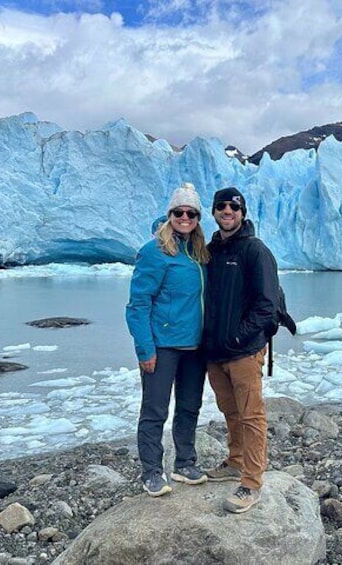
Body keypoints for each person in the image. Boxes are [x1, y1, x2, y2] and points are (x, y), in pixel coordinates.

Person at [125, 182, 210, 497]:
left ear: (198, 218)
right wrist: (144, 348)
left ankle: (185, 463)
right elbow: (137, 305)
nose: (184, 217)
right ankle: (151, 471)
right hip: (162, 346)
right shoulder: (155, 252)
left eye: (191, 213)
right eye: (178, 212)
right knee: (154, 410)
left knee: (189, 406)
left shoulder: (199, 252)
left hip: (194, 347)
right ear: (169, 214)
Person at [203, 186, 281, 513]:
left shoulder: (255, 251)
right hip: (215, 352)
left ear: (242, 212)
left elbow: (267, 305)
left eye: (233, 207)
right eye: (221, 207)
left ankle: (251, 482)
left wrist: (239, 338)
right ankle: (235, 460)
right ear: (214, 212)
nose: (227, 212)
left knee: (251, 415)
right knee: (230, 411)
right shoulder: (210, 252)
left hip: (243, 351)